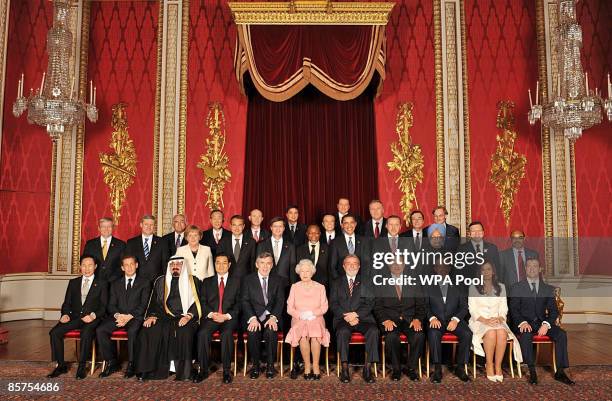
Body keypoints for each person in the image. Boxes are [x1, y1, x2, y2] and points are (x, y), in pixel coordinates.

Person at [135, 256, 201, 381]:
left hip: (186, 317)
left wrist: (189, 316)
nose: (175, 266)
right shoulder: (161, 281)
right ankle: (148, 370)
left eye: (178, 264)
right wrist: (152, 316)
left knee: (184, 331)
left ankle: (184, 372)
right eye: (172, 264)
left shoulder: (193, 281)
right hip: (164, 316)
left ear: (184, 266)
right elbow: (154, 302)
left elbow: (199, 302)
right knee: (148, 330)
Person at [509, 258, 574, 385]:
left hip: (541, 323)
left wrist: (546, 324)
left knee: (561, 334)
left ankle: (560, 371)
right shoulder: (516, 287)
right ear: (525, 269)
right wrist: (522, 322)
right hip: (524, 323)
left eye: (535, 266)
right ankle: (532, 371)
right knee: (526, 334)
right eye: (529, 266)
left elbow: (554, 311)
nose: (532, 268)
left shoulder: (547, 289)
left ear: (539, 269)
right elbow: (513, 309)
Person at [47, 254, 108, 379]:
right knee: (54, 332)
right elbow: (67, 303)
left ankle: (81, 366)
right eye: (84, 265)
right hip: (74, 318)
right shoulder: (73, 282)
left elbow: (104, 306)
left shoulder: (102, 283)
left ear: (95, 266)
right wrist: (64, 314)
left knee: (86, 334)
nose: (87, 268)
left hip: (92, 319)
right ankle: (61, 365)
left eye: (90, 265)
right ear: (80, 267)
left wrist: (93, 315)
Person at [97, 254, 150, 379]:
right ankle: (112, 362)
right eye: (126, 265)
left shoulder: (145, 282)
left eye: (132, 264)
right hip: (119, 317)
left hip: (135, 317)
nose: (129, 267)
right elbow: (111, 305)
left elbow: (144, 305)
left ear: (136, 265)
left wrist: (129, 317)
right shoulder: (115, 284)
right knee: (101, 330)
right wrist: (118, 316)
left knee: (132, 331)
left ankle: (132, 364)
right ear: (122, 268)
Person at [468, 261, 522, 382]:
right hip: (479, 321)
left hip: (497, 320)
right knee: (491, 333)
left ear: (493, 272)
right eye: (483, 270)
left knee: (502, 333)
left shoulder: (501, 287)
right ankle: (489, 364)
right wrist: (486, 321)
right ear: (480, 272)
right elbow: (472, 310)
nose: (486, 272)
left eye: (488, 269)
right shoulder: (473, 287)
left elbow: (504, 309)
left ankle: (498, 366)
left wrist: (500, 318)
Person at [374, 262, 425, 381]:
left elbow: (421, 305)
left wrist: (418, 319)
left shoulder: (413, 281)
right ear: (388, 266)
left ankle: (410, 368)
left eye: (400, 263)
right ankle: (396, 369)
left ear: (404, 265)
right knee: (391, 337)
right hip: (390, 320)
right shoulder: (381, 282)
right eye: (393, 263)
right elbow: (377, 306)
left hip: (410, 320)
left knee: (419, 335)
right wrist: (385, 320)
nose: (397, 266)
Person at [330, 255, 378, 383]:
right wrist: (348, 316)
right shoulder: (336, 282)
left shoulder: (367, 281)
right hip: (343, 319)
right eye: (348, 263)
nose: (352, 266)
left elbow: (370, 303)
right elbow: (333, 304)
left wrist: (355, 315)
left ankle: (367, 369)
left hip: (363, 318)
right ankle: (345, 369)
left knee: (374, 331)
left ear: (359, 266)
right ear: (343, 266)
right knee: (342, 332)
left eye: (355, 263)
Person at [195, 253, 242, 384]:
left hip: (228, 318)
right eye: (218, 262)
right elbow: (202, 302)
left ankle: (226, 371)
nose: (221, 265)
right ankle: (203, 370)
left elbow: (240, 303)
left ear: (229, 265)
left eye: (224, 262)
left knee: (227, 334)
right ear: (214, 264)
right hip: (212, 317)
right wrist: (212, 314)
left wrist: (226, 316)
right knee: (203, 333)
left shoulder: (237, 281)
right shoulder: (207, 281)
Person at [424, 262, 471, 383]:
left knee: (467, 334)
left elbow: (464, 308)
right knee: (433, 334)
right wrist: (432, 318)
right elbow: (425, 306)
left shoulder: (458, 286)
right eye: (439, 266)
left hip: (453, 320)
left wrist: (455, 320)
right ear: (435, 268)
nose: (442, 269)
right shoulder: (428, 285)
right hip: (436, 321)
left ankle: (460, 368)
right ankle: (437, 369)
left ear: (449, 269)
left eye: (445, 266)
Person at [241, 252, 285, 379]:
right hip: (254, 316)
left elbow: (280, 300)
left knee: (271, 331)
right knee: (253, 332)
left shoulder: (278, 280)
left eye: (268, 263)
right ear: (256, 264)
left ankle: (270, 366)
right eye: (262, 263)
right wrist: (252, 318)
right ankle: (255, 366)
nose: (265, 267)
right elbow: (244, 300)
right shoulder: (248, 280)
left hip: (271, 316)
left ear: (272, 265)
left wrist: (274, 317)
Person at [285, 259, 330, 380]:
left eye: (307, 271)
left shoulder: (320, 287)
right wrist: (300, 315)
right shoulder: (294, 287)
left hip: (316, 317)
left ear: (312, 272)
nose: (305, 274)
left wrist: (312, 313)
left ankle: (315, 366)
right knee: (303, 334)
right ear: (298, 273)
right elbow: (289, 308)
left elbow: (324, 307)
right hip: (299, 318)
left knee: (315, 333)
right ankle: (307, 366)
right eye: (302, 271)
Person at [126, 215, 168, 283]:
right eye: (146, 224)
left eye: (151, 225)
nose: (149, 227)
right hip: (136, 283)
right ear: (141, 225)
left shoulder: (162, 242)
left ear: (154, 226)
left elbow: (165, 264)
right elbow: (127, 263)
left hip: (156, 283)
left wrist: (164, 282)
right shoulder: (131, 243)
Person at [82, 217, 126, 282]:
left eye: (109, 226)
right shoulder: (90, 244)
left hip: (114, 282)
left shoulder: (121, 245)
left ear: (113, 228)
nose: (106, 229)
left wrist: (113, 279)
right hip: (94, 282)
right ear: (99, 228)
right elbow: (85, 263)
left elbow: (123, 264)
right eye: (103, 227)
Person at [256, 217, 296, 285]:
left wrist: (293, 285)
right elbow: (258, 265)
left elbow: (292, 268)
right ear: (271, 228)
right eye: (275, 226)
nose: (278, 229)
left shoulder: (290, 246)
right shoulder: (261, 245)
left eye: (280, 226)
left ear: (283, 228)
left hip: (285, 284)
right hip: (266, 283)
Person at [329, 214, 364, 281]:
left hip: (361, 283)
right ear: (342, 225)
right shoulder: (335, 242)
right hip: (341, 283)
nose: (349, 225)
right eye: (346, 223)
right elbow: (332, 266)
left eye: (351, 222)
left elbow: (367, 263)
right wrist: (339, 282)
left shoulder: (363, 241)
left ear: (355, 224)